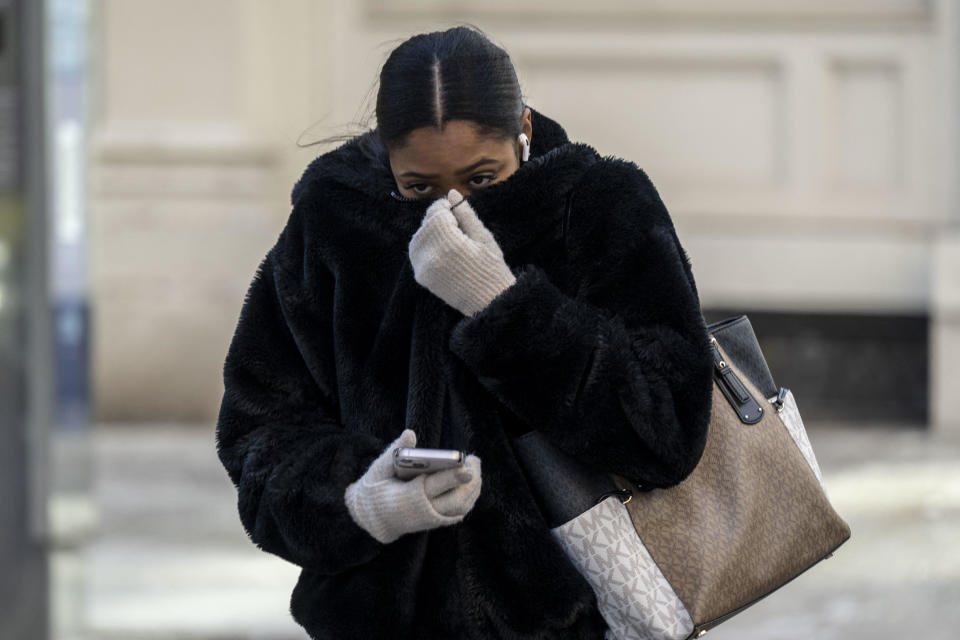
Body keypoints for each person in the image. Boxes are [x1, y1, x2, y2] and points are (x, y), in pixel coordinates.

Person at [215, 25, 714, 640]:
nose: (451, 208)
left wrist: (504, 306)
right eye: (418, 186)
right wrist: (361, 500)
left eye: (482, 179)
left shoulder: (593, 205)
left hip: (573, 621)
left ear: (523, 131)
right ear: (384, 153)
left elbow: (667, 430)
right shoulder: (335, 221)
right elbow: (259, 429)